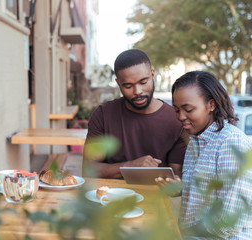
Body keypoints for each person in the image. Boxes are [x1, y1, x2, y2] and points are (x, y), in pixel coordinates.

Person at [156, 71, 252, 239]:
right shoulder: (194, 140)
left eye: (188, 109)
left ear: (211, 105)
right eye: (177, 110)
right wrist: (178, 192)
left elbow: (228, 221)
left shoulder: (230, 143)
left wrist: (183, 232)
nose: (181, 117)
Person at [83, 49, 187, 178]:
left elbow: (177, 176)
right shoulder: (103, 115)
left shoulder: (176, 120)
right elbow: (89, 169)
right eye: (128, 86)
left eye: (143, 82)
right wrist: (130, 166)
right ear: (118, 83)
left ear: (152, 75)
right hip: (109, 195)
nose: (138, 91)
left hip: (154, 196)